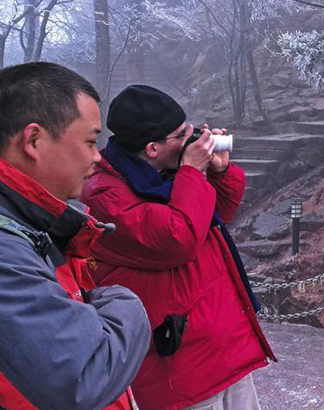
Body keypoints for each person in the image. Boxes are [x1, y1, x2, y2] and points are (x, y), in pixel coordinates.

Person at [81, 84, 276, 410]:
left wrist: (220, 171)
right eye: (182, 135)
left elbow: (215, 218)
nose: (195, 139)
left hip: (221, 344)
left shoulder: (163, 175)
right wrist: (190, 171)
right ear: (153, 148)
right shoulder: (104, 195)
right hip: (180, 365)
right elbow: (177, 241)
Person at [0, 62, 150, 410]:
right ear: (33, 140)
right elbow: (83, 377)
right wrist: (124, 303)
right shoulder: (7, 247)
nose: (97, 156)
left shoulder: (26, 221)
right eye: (90, 141)